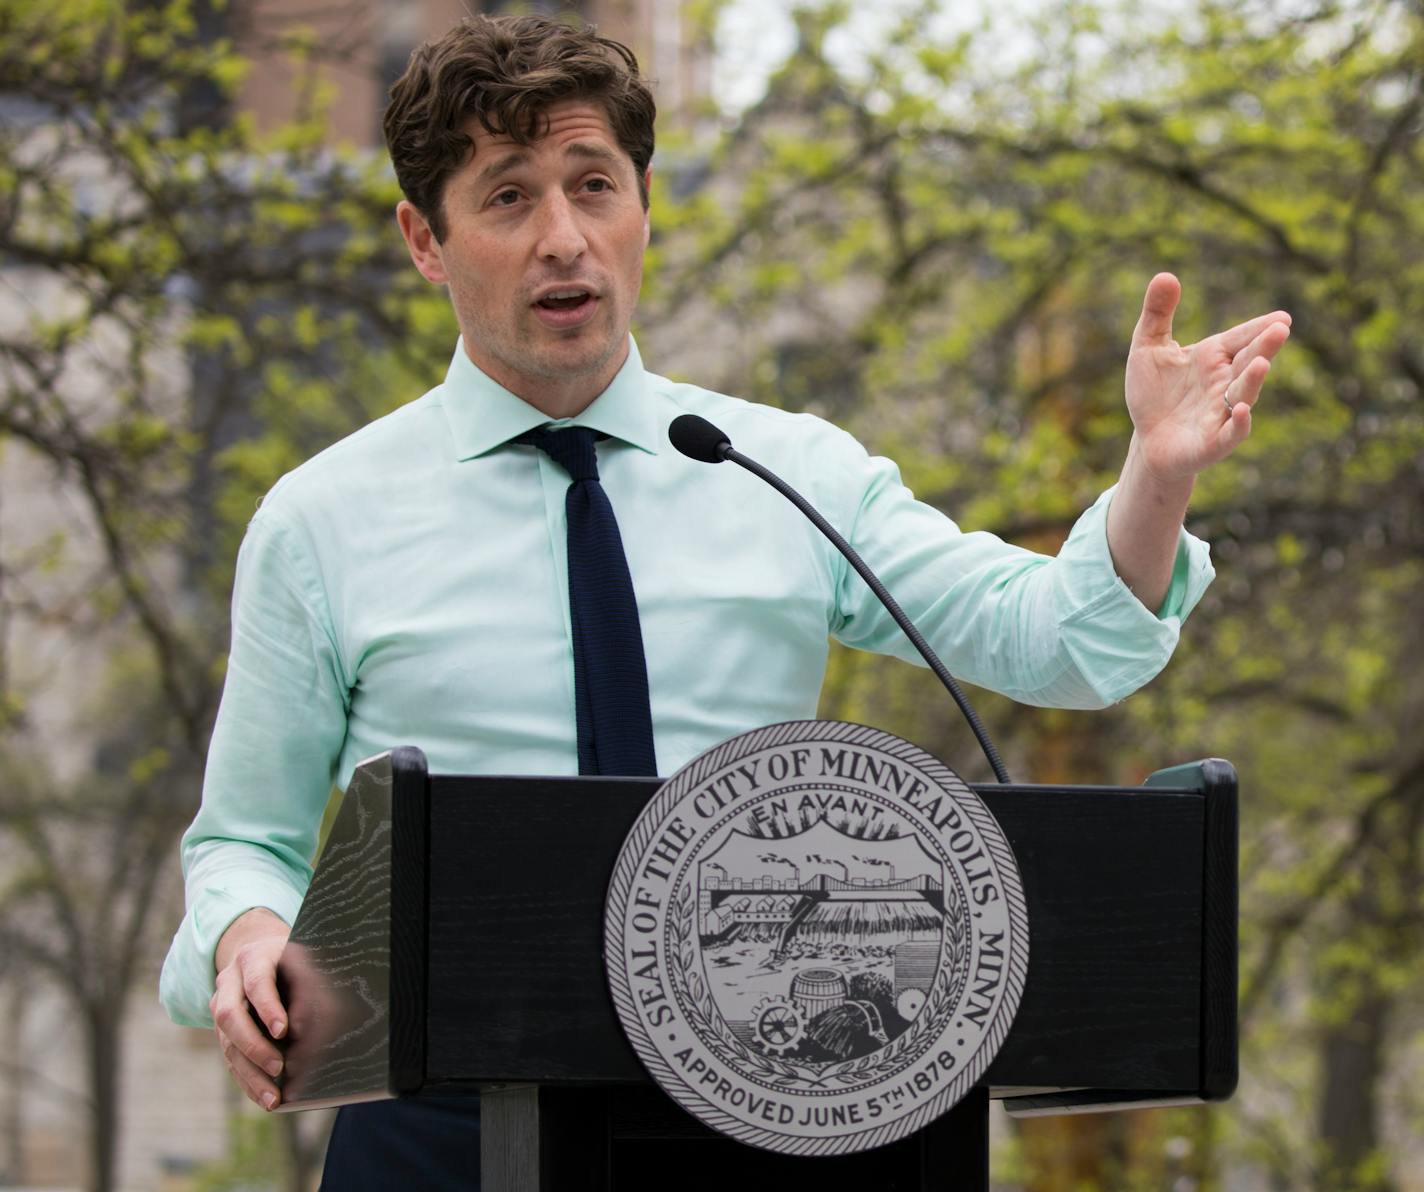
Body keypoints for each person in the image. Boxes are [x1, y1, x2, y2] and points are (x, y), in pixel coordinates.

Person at [159, 12, 1290, 1188]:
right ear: (424, 239)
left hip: (768, 1112)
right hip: (442, 1126)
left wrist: (1153, 478)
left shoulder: (782, 471)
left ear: (643, 204)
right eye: (507, 197)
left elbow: (1058, 644)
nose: (564, 239)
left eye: (594, 185)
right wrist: (248, 936)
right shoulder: (319, 519)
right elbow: (246, 838)